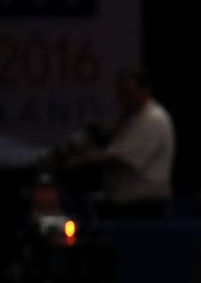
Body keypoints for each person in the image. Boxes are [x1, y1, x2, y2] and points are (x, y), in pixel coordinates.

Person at [66, 68, 175, 215]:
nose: (123, 99)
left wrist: (82, 161)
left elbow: (122, 159)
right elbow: (113, 146)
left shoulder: (153, 118)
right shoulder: (132, 118)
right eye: (120, 93)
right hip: (122, 203)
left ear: (145, 90)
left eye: (128, 93)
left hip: (143, 207)